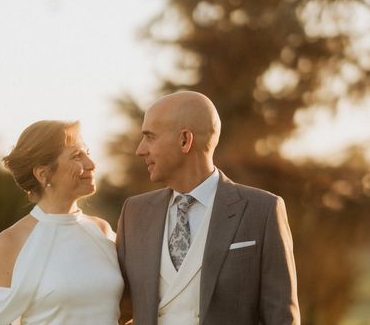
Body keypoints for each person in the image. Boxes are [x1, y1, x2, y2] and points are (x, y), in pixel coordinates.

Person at [117, 91, 300, 325]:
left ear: (185, 140)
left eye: (150, 137)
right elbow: (115, 310)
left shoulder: (262, 210)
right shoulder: (135, 212)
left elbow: (282, 318)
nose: (140, 149)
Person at [0, 120, 124, 325]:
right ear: (43, 174)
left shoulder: (101, 230)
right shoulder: (11, 242)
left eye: (87, 152)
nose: (91, 164)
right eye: (77, 156)